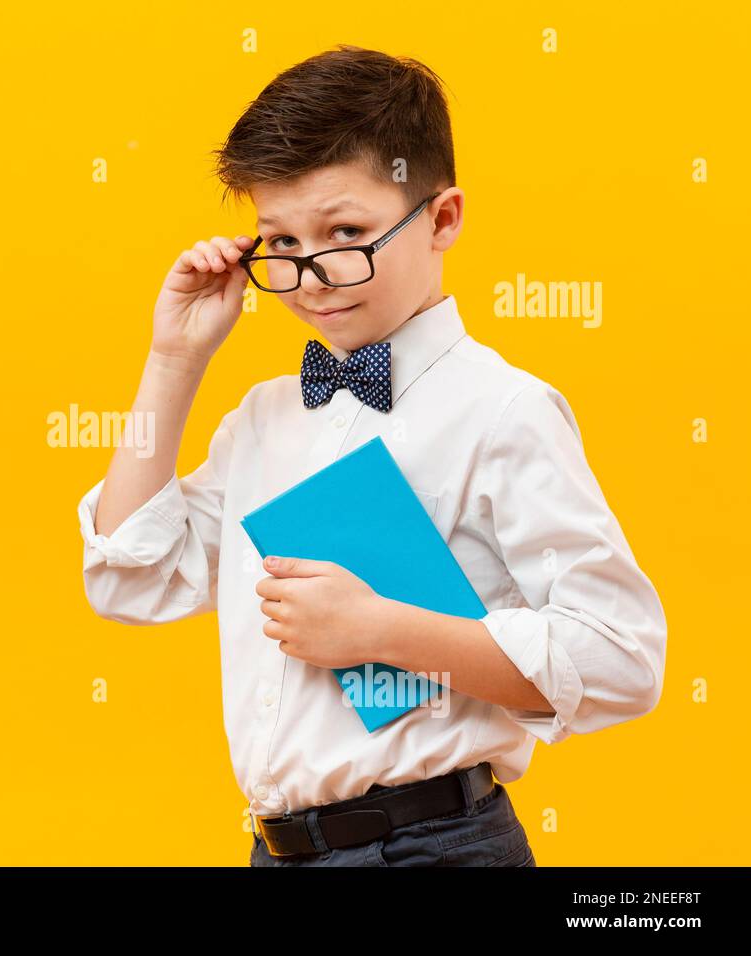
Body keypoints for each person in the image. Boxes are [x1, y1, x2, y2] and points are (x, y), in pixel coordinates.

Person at [75, 45, 666, 867]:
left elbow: (623, 659)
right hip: (277, 851)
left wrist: (380, 629)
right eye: (280, 242)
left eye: (345, 233)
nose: (311, 278)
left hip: (433, 846)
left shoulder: (501, 412)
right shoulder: (266, 420)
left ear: (443, 219)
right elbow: (129, 579)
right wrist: (174, 361)